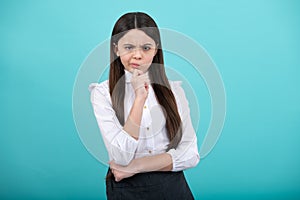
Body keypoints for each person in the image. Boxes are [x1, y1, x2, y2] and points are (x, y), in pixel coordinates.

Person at [89, 12, 200, 200]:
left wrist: (136, 166)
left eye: (146, 47)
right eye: (129, 47)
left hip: (172, 188)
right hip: (126, 190)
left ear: (156, 49)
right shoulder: (102, 93)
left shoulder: (174, 90)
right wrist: (139, 98)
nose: (137, 55)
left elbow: (190, 155)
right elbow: (122, 157)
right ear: (116, 49)